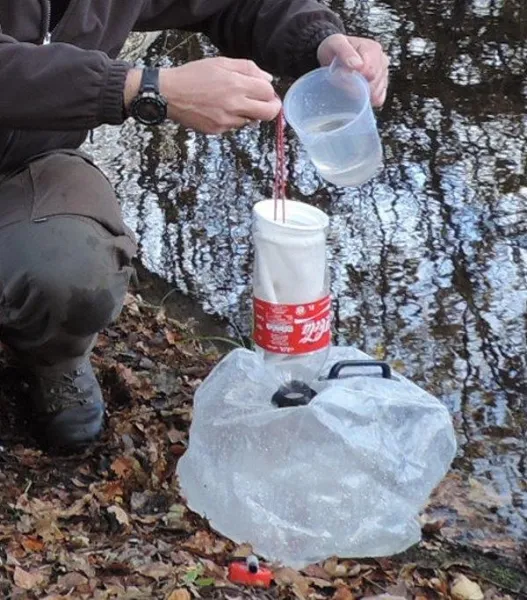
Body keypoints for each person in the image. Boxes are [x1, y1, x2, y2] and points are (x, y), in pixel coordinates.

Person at [0, 0, 389, 450]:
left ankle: (54, 359)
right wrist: (139, 89)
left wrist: (320, 42)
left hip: (27, 167)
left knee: (74, 266)